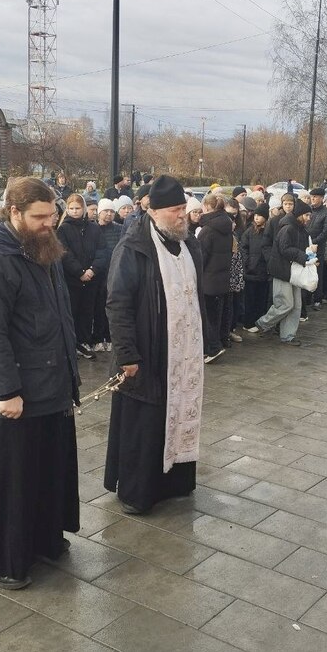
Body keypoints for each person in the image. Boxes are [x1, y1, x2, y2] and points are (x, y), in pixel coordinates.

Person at [0, 176, 80, 591]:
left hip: (51, 384)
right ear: (14, 213)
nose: (49, 223)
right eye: (40, 217)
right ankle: (6, 560)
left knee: (47, 471)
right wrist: (8, 392)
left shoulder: (43, 247)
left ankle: (43, 540)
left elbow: (59, 315)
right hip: (16, 394)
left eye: (52, 215)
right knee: (13, 482)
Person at [104, 175, 206, 515]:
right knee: (144, 425)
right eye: (176, 210)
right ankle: (138, 492)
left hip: (183, 352)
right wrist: (127, 354)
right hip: (148, 353)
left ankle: (175, 482)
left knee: (178, 414)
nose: (182, 215)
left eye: (184, 208)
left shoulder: (190, 244)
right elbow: (118, 303)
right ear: (155, 211)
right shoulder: (133, 248)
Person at [254, 199, 313, 346]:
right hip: (282, 270)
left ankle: (288, 335)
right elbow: (284, 249)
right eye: (307, 215)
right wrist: (304, 256)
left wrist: (309, 256)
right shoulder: (288, 228)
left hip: (294, 271)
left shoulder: (301, 229)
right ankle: (263, 323)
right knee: (285, 304)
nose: (308, 218)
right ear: (300, 215)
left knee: (296, 305)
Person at [57, 194, 107, 360]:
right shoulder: (63, 229)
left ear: (83, 208)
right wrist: (79, 272)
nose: (74, 211)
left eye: (77, 208)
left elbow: (102, 250)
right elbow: (64, 253)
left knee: (87, 311)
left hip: (92, 279)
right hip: (73, 279)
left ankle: (84, 341)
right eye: (71, 208)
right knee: (72, 311)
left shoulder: (94, 228)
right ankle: (72, 343)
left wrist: (92, 270)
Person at [197, 193, 234, 363]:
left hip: (208, 281)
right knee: (215, 315)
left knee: (206, 317)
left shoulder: (207, 230)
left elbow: (201, 258)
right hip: (222, 279)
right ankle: (215, 344)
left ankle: (212, 348)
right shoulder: (226, 227)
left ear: (207, 207)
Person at [92, 199, 122, 352]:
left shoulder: (119, 229)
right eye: (106, 211)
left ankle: (109, 338)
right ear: (99, 212)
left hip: (114, 273)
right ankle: (97, 338)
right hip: (97, 274)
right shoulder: (93, 229)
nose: (109, 214)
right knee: (98, 307)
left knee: (111, 308)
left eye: (112, 211)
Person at [239, 201, 271, 331]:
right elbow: (243, 248)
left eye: (260, 215)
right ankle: (248, 323)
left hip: (263, 270)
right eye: (255, 215)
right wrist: (247, 263)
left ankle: (259, 321)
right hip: (251, 271)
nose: (256, 218)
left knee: (261, 298)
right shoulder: (249, 232)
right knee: (250, 299)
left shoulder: (269, 231)